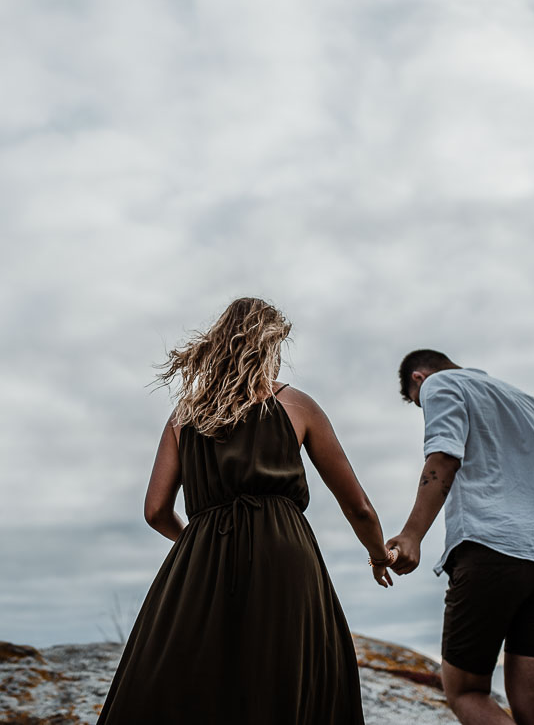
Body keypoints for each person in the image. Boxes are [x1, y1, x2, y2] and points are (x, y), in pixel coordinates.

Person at [96, 297, 396, 725]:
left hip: (201, 557)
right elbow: (359, 507)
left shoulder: (184, 416)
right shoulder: (297, 405)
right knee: (283, 672)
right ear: (270, 346)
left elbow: (156, 511)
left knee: (189, 677)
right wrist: (379, 555)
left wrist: (199, 546)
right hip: (284, 552)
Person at [385, 349, 534, 725]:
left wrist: (412, 535)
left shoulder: (440, 383)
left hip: (491, 550)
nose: (422, 407)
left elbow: (444, 456)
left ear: (418, 379)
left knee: (466, 691)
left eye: (416, 403)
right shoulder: (523, 400)